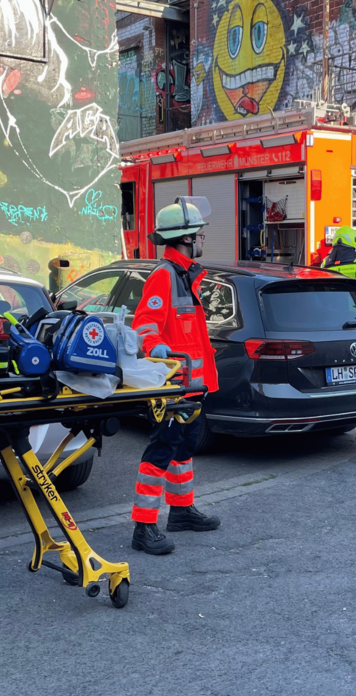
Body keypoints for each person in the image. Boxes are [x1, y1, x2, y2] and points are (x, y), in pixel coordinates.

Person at [129, 199, 221, 555]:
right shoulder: (165, 275)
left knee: (183, 450)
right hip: (174, 385)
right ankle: (143, 527)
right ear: (185, 238)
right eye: (199, 234)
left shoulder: (186, 276)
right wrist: (157, 348)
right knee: (161, 451)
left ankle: (181, 512)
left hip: (192, 386)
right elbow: (145, 325)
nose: (203, 240)